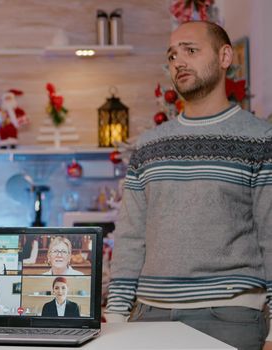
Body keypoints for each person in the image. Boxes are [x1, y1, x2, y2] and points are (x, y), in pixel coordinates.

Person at [106, 21, 272, 350]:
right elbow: (130, 236)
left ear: (225, 57)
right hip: (148, 316)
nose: (178, 61)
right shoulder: (149, 145)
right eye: (171, 56)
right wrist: (115, 316)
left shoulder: (260, 139)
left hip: (229, 318)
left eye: (190, 51)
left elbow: (271, 234)